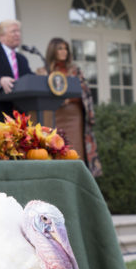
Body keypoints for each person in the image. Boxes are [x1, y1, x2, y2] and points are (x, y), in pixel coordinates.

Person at [36, 37, 102, 176]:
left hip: (73, 115)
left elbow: (84, 91)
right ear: (53, 50)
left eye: (66, 48)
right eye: (60, 48)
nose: (64, 51)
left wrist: (69, 99)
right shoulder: (43, 71)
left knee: (75, 149)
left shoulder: (74, 71)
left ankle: (77, 179)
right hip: (52, 115)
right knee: (54, 148)